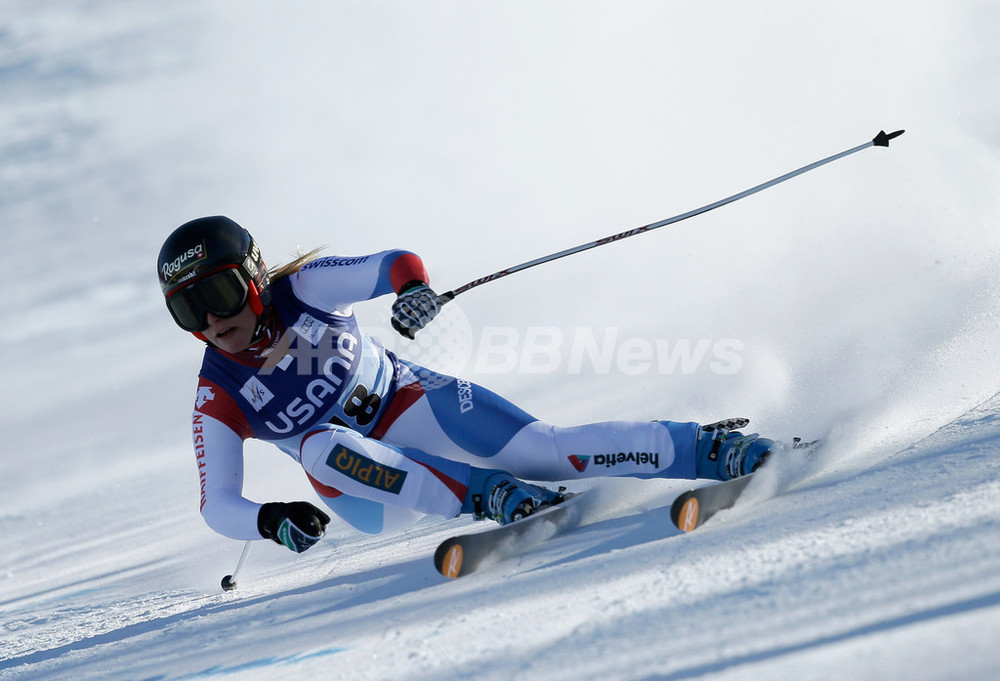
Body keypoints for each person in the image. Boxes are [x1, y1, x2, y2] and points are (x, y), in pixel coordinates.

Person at [157, 216, 776, 553]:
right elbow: (218, 505)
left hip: (408, 401)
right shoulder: (219, 394)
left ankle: (708, 450)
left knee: (545, 449)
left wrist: (415, 292)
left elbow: (395, 264)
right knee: (320, 448)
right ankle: (491, 497)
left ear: (255, 278)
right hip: (375, 496)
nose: (212, 320)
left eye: (218, 293)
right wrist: (270, 520)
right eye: (189, 310)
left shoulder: (306, 290)